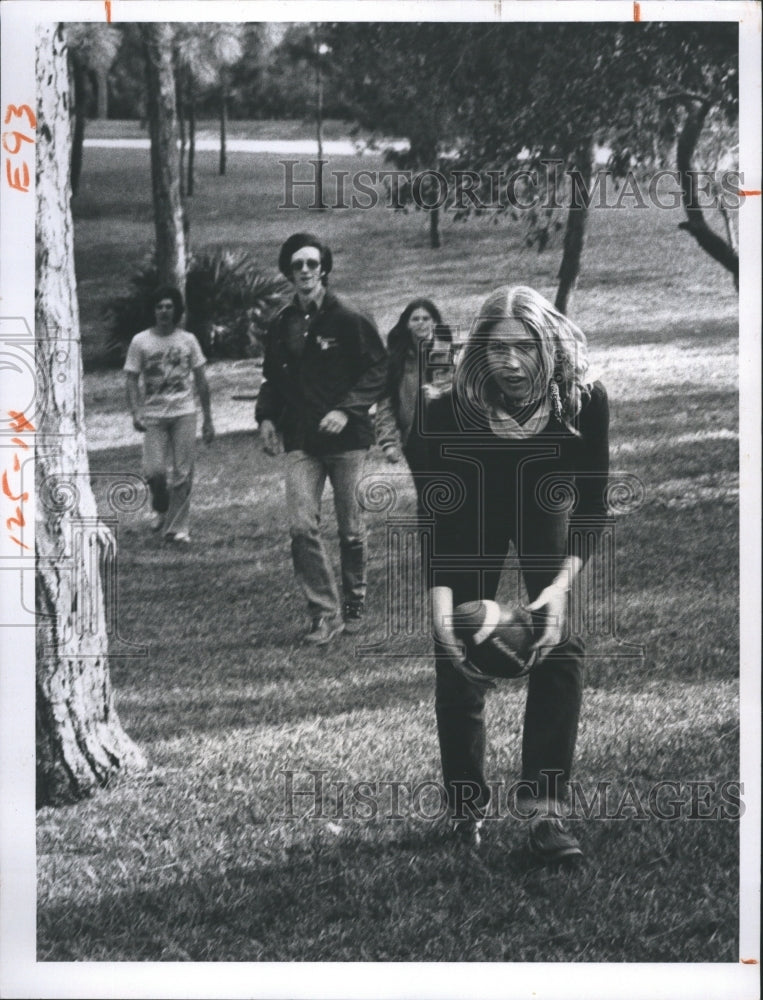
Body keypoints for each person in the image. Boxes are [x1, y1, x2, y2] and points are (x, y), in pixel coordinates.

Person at [423, 285, 610, 863]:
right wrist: (439, 607)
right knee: (456, 642)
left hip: (544, 501)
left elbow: (591, 507)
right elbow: (443, 519)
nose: (509, 362)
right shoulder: (449, 408)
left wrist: (556, 589)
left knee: (562, 643)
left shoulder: (583, 398)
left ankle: (544, 813)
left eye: (523, 347)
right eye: (496, 348)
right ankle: (464, 807)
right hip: (475, 507)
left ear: (547, 343)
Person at [256, 233, 387, 645]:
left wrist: (345, 409)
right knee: (300, 526)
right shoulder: (281, 323)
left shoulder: (348, 315)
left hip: (347, 441)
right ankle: (323, 614)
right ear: (288, 272)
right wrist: (264, 418)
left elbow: (379, 370)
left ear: (324, 268)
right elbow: (273, 379)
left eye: (312, 263)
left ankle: (353, 604)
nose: (306, 271)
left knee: (350, 529)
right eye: (297, 265)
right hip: (301, 440)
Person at [124, 285, 215, 544]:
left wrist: (208, 419)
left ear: (176, 311)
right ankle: (160, 506)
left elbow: (201, 381)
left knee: (183, 473)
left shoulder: (188, 341)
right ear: (153, 311)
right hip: (153, 416)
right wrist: (135, 411)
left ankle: (178, 528)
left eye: (169, 307)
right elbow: (130, 379)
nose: (164, 311)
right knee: (155, 472)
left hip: (184, 413)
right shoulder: (140, 341)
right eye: (159, 307)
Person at [375, 298, 455, 481]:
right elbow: (386, 402)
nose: (421, 323)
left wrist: (442, 393)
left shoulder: (449, 352)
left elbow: (466, 390)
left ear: (435, 322)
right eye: (415, 319)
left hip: (448, 434)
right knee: (425, 492)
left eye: (426, 318)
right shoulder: (395, 360)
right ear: (407, 324)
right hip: (413, 437)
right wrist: (388, 442)